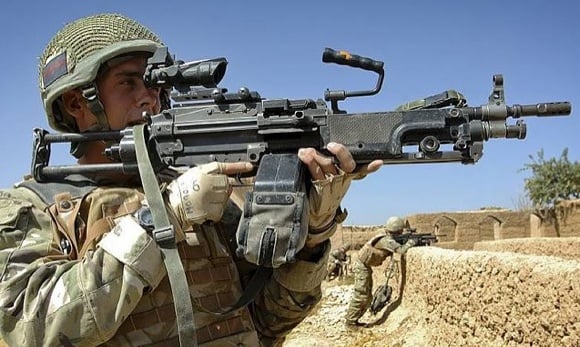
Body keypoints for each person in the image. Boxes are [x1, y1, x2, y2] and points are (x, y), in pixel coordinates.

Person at [0, 13, 382, 347]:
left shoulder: (204, 194)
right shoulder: (34, 207)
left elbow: (267, 323)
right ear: (77, 102)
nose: (149, 99)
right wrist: (162, 218)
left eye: (155, 86)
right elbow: (34, 331)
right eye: (128, 83)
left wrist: (313, 235)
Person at [344, 216, 416, 328]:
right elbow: (401, 250)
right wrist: (411, 242)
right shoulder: (386, 240)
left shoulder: (386, 237)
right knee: (361, 295)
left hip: (365, 266)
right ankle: (350, 322)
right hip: (362, 266)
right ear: (397, 230)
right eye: (400, 231)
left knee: (367, 296)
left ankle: (355, 320)